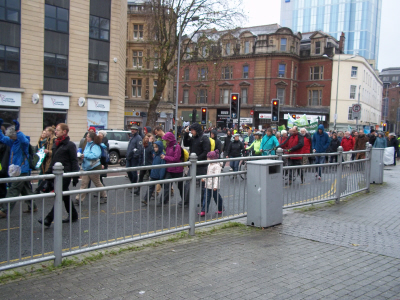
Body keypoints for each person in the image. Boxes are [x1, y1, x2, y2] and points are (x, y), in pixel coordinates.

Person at [38, 123, 80, 226]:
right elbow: (53, 161)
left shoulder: (70, 145)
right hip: (56, 174)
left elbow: (74, 161)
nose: (55, 131)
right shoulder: (56, 143)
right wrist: (47, 175)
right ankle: (73, 215)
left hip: (65, 174)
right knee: (64, 195)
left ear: (64, 132)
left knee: (59, 196)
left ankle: (49, 218)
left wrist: (75, 176)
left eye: (57, 130)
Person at [0, 119, 37, 218]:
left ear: (14, 136)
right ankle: (33, 206)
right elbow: (3, 139)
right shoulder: (13, 141)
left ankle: (4, 210)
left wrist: (18, 131)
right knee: (25, 190)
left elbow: (24, 141)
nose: (9, 138)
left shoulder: (22, 142)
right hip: (15, 170)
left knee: (13, 190)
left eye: (11, 136)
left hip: (22, 170)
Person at [74, 132, 107, 205]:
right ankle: (78, 199)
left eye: (88, 136)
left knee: (97, 183)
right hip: (88, 167)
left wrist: (85, 155)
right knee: (84, 184)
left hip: (94, 167)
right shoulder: (88, 144)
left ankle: (104, 196)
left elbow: (95, 155)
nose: (86, 137)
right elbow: (88, 154)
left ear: (91, 138)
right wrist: (82, 156)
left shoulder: (95, 145)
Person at [182, 123, 211, 207]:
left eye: (192, 130)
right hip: (193, 164)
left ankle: (203, 203)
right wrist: (186, 133)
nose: (191, 132)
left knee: (202, 186)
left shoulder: (204, 139)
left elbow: (206, 151)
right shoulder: (193, 138)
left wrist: (197, 159)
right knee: (188, 183)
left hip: (201, 165)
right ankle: (186, 201)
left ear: (197, 130)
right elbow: (186, 143)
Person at [160, 132, 184, 206]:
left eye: (167, 140)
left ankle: (185, 200)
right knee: (166, 186)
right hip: (169, 169)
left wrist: (165, 157)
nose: (166, 141)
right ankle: (163, 201)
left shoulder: (176, 147)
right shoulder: (168, 146)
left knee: (180, 187)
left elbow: (176, 158)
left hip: (177, 170)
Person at [199, 149, 224, 216]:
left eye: (208, 158)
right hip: (208, 184)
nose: (207, 159)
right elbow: (208, 174)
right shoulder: (209, 165)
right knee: (206, 198)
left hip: (214, 186)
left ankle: (220, 208)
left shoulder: (217, 166)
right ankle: (204, 210)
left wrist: (215, 186)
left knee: (217, 198)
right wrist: (204, 178)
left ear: (212, 158)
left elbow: (217, 177)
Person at [141, 141, 166, 205]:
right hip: (154, 175)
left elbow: (163, 167)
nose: (155, 148)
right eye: (154, 147)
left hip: (160, 176)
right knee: (150, 188)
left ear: (160, 147)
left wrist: (161, 176)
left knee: (165, 189)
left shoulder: (162, 156)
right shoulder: (155, 154)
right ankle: (146, 200)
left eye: (156, 147)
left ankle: (163, 201)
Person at [126, 125, 143, 195]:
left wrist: (135, 156)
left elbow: (139, 149)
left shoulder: (138, 138)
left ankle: (133, 184)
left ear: (137, 130)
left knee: (133, 171)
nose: (132, 130)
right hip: (129, 157)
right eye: (132, 129)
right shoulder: (132, 137)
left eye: (134, 129)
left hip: (134, 158)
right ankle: (132, 183)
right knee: (128, 170)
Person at [0, 126, 10, 207]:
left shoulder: (5, 143)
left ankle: (3, 207)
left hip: (2, 168)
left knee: (2, 187)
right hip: (3, 167)